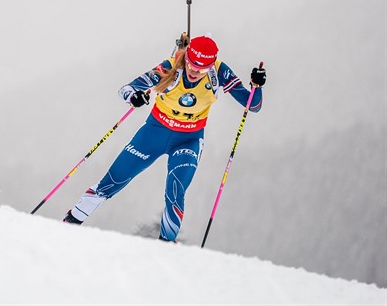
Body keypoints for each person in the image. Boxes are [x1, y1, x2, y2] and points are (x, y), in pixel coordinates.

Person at [62, 34, 266, 242]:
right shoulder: (171, 67)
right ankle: (71, 221)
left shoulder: (219, 72)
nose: (195, 71)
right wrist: (135, 97)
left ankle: (166, 246)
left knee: (175, 192)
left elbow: (253, 105)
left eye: (202, 68)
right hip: (154, 133)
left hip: (189, 140)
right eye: (192, 65)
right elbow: (127, 89)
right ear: (186, 58)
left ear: (211, 65)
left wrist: (256, 86)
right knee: (113, 180)